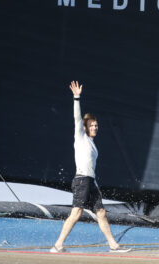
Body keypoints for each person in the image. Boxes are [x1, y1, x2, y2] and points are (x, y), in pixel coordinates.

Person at [51, 81, 131, 253]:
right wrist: (76, 98)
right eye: (92, 125)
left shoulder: (93, 145)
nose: (95, 127)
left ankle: (113, 245)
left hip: (90, 181)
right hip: (81, 181)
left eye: (96, 125)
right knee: (76, 213)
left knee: (101, 212)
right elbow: (77, 118)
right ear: (85, 128)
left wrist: (94, 184)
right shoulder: (80, 137)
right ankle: (57, 245)